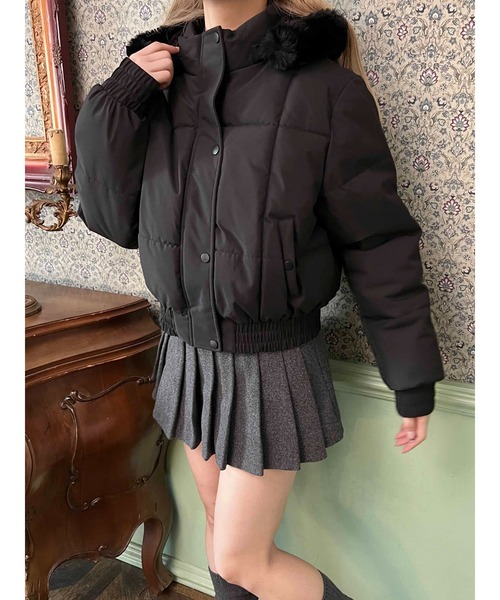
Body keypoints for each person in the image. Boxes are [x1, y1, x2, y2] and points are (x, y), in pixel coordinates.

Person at [74, 1, 445, 598]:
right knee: (217, 531)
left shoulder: (326, 91)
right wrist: (117, 102)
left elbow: (375, 240)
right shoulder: (155, 83)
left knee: (241, 557)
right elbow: (110, 218)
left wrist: (411, 372)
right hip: (187, 351)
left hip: (270, 359)